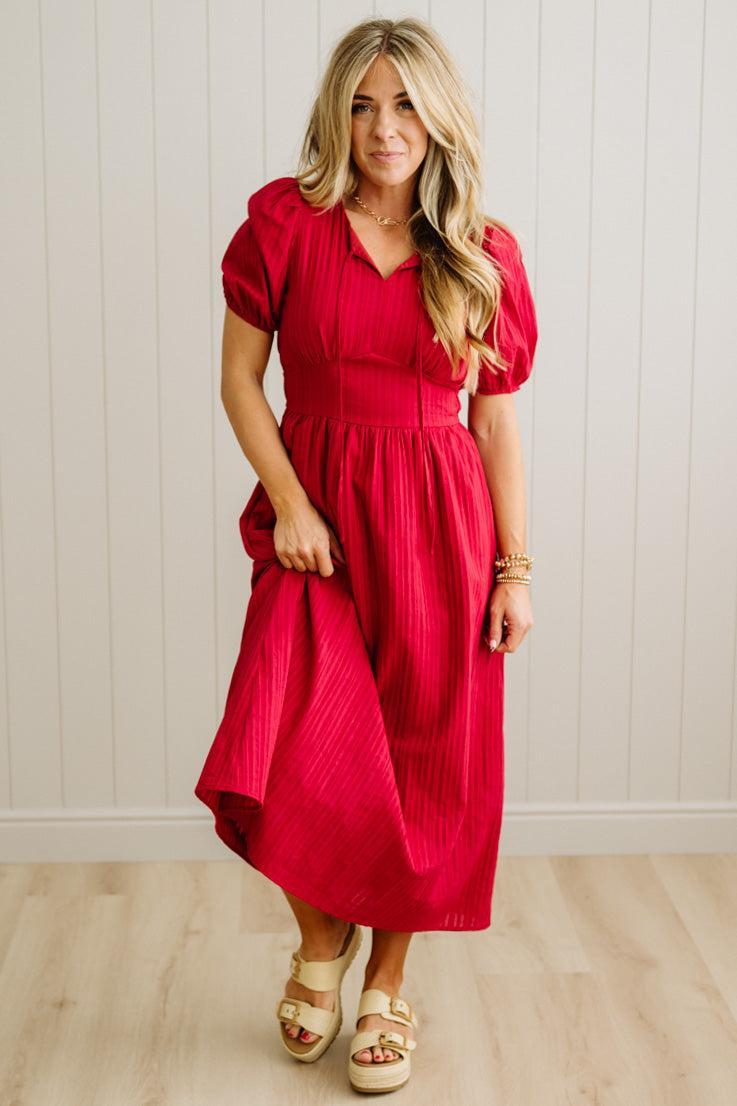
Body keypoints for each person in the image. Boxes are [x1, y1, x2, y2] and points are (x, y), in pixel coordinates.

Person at [194, 15, 538, 1095]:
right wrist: (291, 503)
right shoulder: (283, 227)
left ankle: (387, 981)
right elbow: (240, 383)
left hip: (441, 526)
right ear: (333, 115)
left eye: (401, 103)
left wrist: (513, 568)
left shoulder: (481, 251)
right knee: (285, 737)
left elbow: (492, 424)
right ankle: (320, 938)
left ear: (436, 116)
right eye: (359, 102)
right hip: (318, 525)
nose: (381, 126)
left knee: (425, 758)